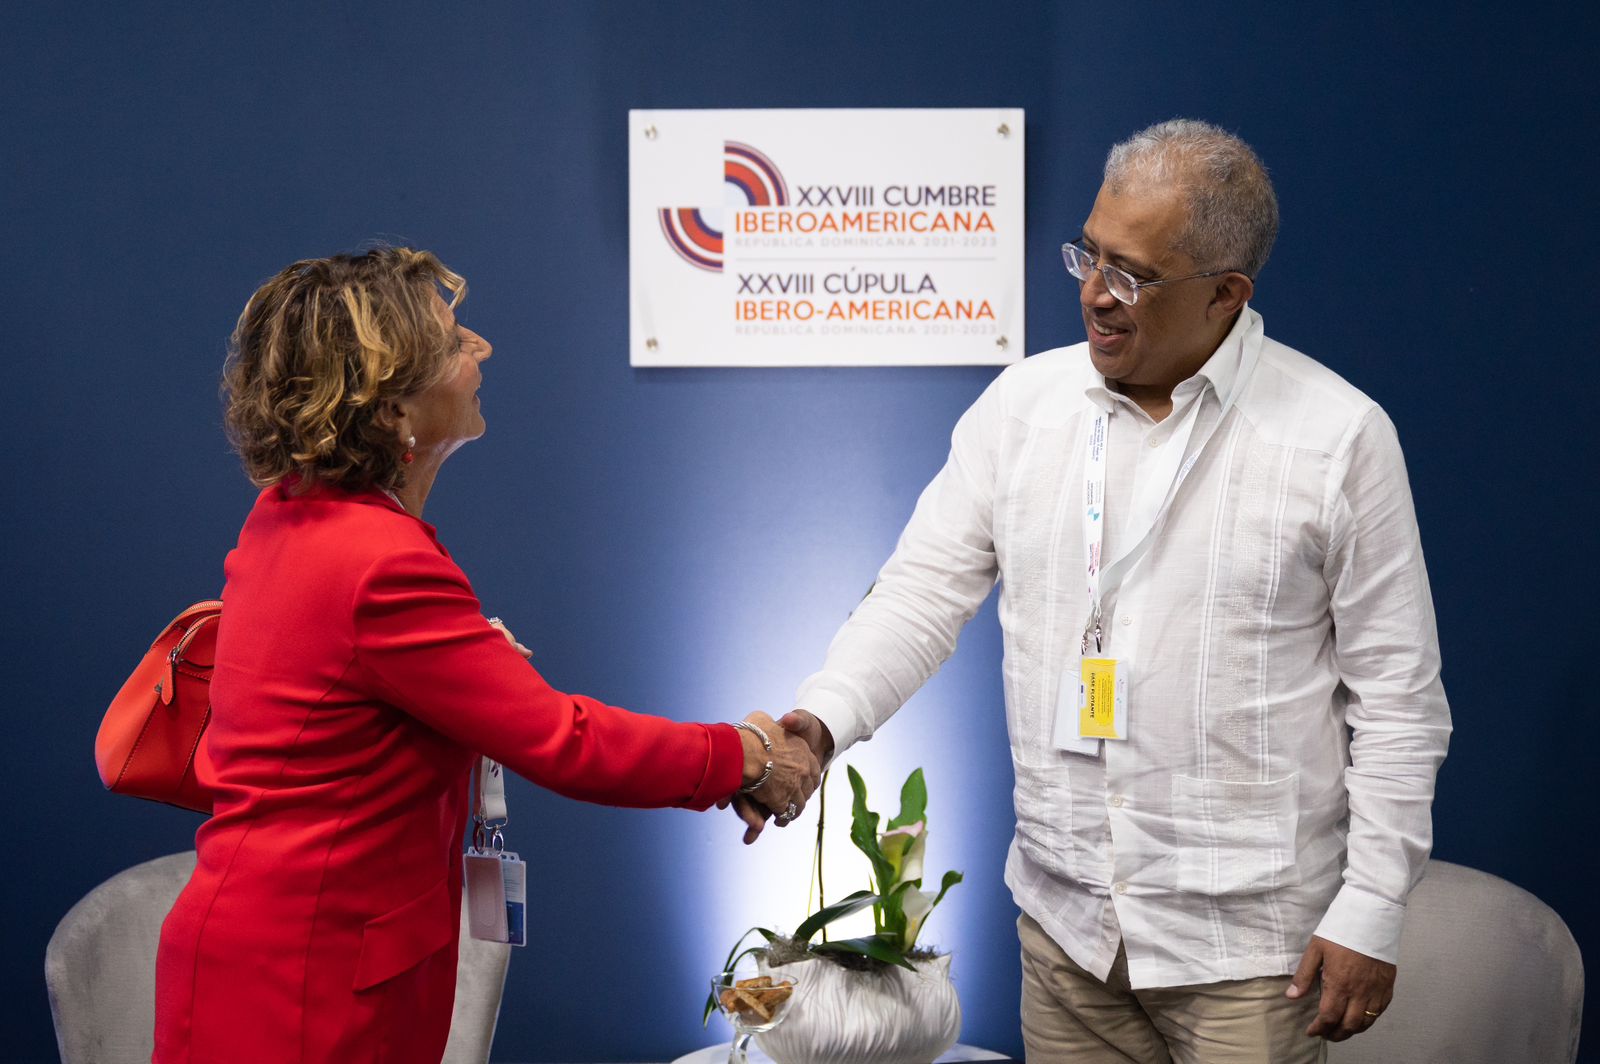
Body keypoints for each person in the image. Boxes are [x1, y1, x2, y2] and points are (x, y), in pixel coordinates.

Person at [773, 120, 1451, 1062]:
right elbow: (918, 595)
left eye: (1132, 273)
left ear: (1225, 294)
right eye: (1089, 254)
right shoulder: (1023, 408)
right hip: (1067, 938)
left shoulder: (1337, 439)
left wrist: (1372, 904)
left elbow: (1399, 701)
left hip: (1248, 959)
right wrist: (820, 723)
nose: (1095, 291)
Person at [153, 247, 820, 1064]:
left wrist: (462, 671)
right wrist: (747, 757)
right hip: (302, 996)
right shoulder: (378, 565)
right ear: (389, 403)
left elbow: (339, 687)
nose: (483, 349)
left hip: (258, 966)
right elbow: (566, 742)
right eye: (453, 341)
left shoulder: (291, 514)